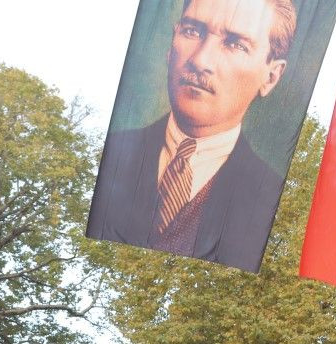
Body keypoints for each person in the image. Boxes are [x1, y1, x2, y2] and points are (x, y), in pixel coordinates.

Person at [87, 0, 296, 270]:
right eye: (192, 31)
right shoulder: (111, 154)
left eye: (235, 44)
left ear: (271, 77)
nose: (200, 60)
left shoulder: (269, 196)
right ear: (172, 40)